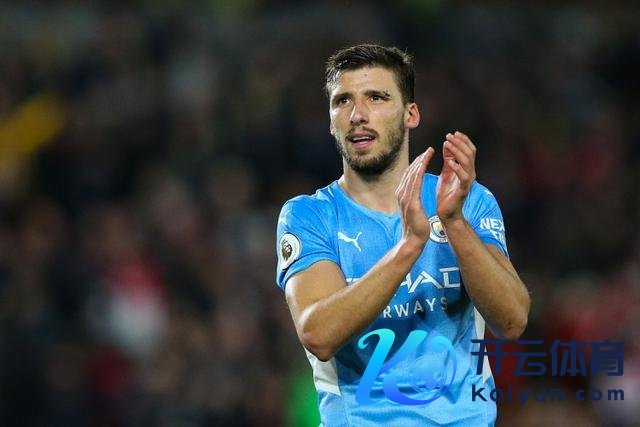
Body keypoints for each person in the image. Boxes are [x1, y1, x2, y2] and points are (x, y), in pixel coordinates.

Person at [275, 44, 529, 426]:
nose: (357, 115)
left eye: (376, 97)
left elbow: (511, 322)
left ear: (411, 114)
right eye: (342, 101)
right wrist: (410, 246)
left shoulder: (467, 200)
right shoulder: (310, 216)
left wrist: (455, 223)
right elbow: (319, 334)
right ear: (330, 120)